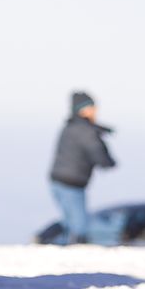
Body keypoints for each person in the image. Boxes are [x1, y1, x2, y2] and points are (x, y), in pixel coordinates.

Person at [48, 92, 116, 244]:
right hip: (71, 184)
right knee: (80, 227)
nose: (95, 111)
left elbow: (88, 132)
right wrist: (109, 162)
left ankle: (61, 247)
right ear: (82, 109)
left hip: (58, 181)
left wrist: (100, 130)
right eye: (91, 107)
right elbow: (97, 152)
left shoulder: (72, 126)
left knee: (69, 223)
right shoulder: (85, 131)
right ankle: (75, 251)